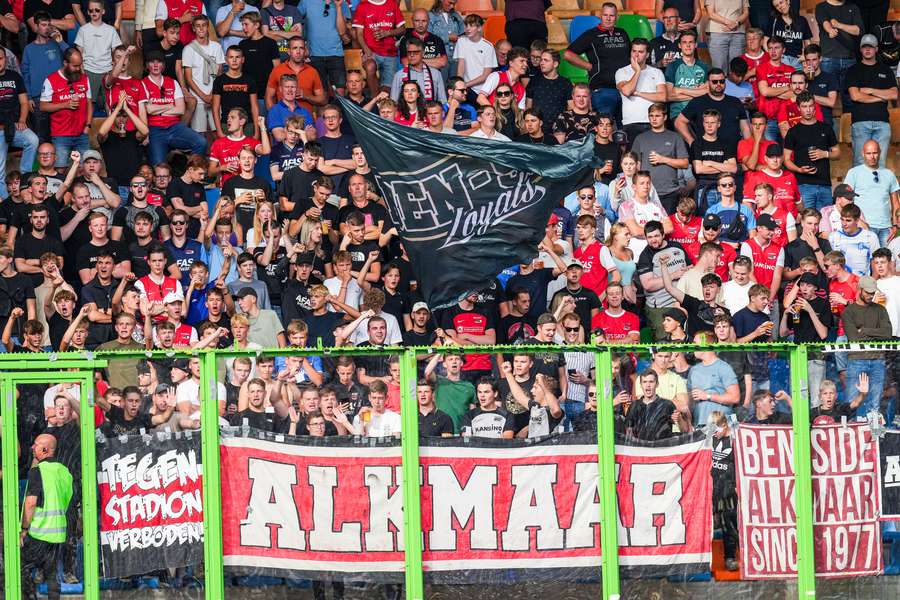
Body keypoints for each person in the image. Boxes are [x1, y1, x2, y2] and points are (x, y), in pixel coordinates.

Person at [20, 433, 73, 600]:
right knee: (51, 574)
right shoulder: (65, 472)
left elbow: (30, 503)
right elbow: (67, 500)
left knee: (20, 567)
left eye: (35, 445)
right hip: (57, 534)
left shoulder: (38, 471)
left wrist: (24, 528)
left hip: (39, 531)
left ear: (44, 449)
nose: (32, 448)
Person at [563, 2, 631, 116]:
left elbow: (630, 55)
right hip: (602, 89)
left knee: (623, 129)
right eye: (605, 15)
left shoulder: (622, 33)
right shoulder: (591, 34)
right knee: (604, 126)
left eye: (612, 15)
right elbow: (568, 54)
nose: (608, 19)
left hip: (624, 89)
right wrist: (589, 66)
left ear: (616, 17)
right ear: (600, 16)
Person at [141, 50, 207, 166]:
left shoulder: (172, 82)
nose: (156, 65)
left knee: (201, 142)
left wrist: (158, 110)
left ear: (163, 65)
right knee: (158, 165)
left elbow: (180, 110)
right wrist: (170, 105)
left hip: (174, 127)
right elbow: (148, 110)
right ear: (147, 65)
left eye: (159, 62)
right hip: (155, 130)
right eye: (152, 62)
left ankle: (191, 173)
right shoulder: (143, 83)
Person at [842, 276, 892, 416]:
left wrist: (863, 330)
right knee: (852, 402)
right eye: (868, 292)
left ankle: (873, 435)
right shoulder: (848, 312)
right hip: (857, 359)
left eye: (873, 292)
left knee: (875, 404)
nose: (871, 295)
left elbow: (888, 333)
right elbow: (854, 338)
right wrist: (876, 333)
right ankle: (851, 433)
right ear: (860, 290)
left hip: (877, 359)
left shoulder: (880, 309)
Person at [782, 91, 839, 211]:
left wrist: (825, 154)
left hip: (825, 184)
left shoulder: (826, 128)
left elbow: (837, 152)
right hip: (804, 185)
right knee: (807, 222)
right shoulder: (793, 132)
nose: (808, 110)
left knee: (826, 223)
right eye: (804, 106)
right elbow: (786, 159)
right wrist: (799, 169)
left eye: (810, 106)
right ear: (798, 108)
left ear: (815, 107)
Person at [846, 34, 896, 167]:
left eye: (871, 47)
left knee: (880, 164)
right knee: (860, 163)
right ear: (861, 50)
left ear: (876, 49)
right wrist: (881, 97)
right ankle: (861, 189)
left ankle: (878, 189)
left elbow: (894, 94)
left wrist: (870, 90)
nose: (868, 50)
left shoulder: (886, 70)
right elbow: (855, 96)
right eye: (865, 47)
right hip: (860, 123)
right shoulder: (853, 70)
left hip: (883, 124)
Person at [39, 47, 91, 166]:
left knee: (85, 169)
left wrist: (88, 125)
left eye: (80, 65)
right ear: (65, 63)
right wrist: (65, 105)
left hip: (82, 134)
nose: (78, 69)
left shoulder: (84, 78)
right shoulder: (51, 80)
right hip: (61, 134)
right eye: (75, 66)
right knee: (60, 168)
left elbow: (89, 103)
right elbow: (43, 106)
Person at [843, 139, 900, 246]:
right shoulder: (854, 173)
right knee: (864, 260)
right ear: (863, 154)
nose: (872, 156)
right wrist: (857, 221)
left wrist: (895, 225)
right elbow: (845, 200)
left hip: (886, 227)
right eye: (868, 153)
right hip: (863, 225)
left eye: (875, 153)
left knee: (884, 261)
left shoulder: (889, 174)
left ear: (880, 152)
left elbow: (895, 202)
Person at [675, 68, 749, 147]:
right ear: (708, 83)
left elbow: (745, 128)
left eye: (722, 81)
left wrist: (748, 147)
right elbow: (679, 122)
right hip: (706, 154)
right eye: (714, 82)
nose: (718, 84)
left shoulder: (735, 102)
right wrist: (692, 142)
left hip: (733, 153)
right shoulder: (698, 102)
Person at [22, 11, 66, 143]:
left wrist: (61, 42)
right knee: (41, 136)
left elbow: (72, 57)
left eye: (49, 25)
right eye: (43, 25)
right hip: (38, 98)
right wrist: (28, 97)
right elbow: (25, 74)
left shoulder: (56, 44)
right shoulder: (29, 49)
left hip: (58, 95)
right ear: (36, 27)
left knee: (60, 135)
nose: (47, 28)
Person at [0, 51, 37, 199]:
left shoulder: (14, 77)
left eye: (0, 58)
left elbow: (23, 102)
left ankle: (24, 178)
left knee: (33, 140)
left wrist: (22, 120)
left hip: (15, 126)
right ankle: (8, 203)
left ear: (5, 59)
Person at [815, 0, 863, 113]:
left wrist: (838, 25)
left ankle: (849, 129)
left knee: (850, 100)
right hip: (829, 59)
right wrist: (831, 30)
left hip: (850, 60)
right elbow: (825, 23)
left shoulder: (853, 7)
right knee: (825, 100)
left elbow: (858, 30)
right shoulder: (822, 6)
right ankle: (825, 129)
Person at [615, 38, 667, 142]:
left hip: (652, 122)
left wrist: (638, 93)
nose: (636, 55)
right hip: (630, 123)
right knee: (633, 157)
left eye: (641, 52)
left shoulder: (656, 72)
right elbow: (627, 91)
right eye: (634, 51)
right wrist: (638, 71)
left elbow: (662, 97)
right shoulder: (622, 72)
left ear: (647, 55)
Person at [353, 0, 405, 96]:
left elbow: (402, 29)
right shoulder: (362, 5)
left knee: (386, 93)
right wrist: (366, 50)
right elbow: (359, 34)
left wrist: (388, 33)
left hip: (390, 53)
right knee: (370, 66)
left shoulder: (392, 4)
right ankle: (375, 101)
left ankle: (381, 101)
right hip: (372, 51)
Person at [690, 109, 738, 211]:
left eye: (712, 122)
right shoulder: (697, 144)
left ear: (718, 124)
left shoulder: (726, 143)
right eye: (707, 122)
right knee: (705, 221)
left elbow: (733, 168)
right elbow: (698, 169)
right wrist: (724, 166)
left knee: (726, 219)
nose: (709, 125)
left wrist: (711, 163)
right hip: (704, 189)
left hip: (724, 188)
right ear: (703, 124)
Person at [265, 37, 325, 116]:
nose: (298, 52)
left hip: (306, 122)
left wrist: (305, 96)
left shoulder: (312, 71)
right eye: (295, 48)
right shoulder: (277, 70)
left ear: (305, 51)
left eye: (301, 48)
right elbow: (268, 97)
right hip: (284, 121)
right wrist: (275, 117)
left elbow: (322, 100)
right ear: (289, 51)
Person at [626, 369, 684, 440]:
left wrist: (679, 419)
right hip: (641, 449)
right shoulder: (634, 406)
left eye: (651, 382)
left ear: (657, 384)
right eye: (644, 382)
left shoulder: (667, 405)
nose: (648, 385)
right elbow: (628, 433)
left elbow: (684, 430)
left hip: (662, 448)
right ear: (641, 385)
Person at [664, 30, 709, 121]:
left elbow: (708, 92)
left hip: (699, 113)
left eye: (691, 42)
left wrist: (680, 90)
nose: (688, 45)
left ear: (695, 45)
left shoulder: (703, 67)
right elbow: (668, 96)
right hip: (678, 113)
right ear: (679, 45)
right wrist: (696, 93)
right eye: (684, 42)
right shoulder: (673, 66)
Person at [525, 49, 572, 133]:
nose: (541, 63)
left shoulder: (565, 83)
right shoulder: (534, 81)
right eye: (541, 60)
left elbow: (571, 109)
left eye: (545, 60)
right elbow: (528, 108)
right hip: (537, 131)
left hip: (559, 131)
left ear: (555, 64)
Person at [453, 14, 497, 102]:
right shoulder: (461, 41)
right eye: (466, 25)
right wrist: (459, 85)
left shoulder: (488, 46)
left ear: (479, 28)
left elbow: (485, 75)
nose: (467, 28)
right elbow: (460, 68)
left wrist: (465, 84)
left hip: (483, 89)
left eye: (471, 25)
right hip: (467, 89)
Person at [827, 204, 879, 276]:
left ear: (857, 220)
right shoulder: (833, 236)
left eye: (848, 220)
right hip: (840, 283)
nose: (844, 224)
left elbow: (876, 262)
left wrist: (872, 283)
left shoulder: (870, 237)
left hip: (862, 283)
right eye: (842, 219)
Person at [705, 0, 748, 72]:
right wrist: (728, 23)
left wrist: (736, 23)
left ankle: (734, 83)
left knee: (737, 68)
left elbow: (746, 12)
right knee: (719, 67)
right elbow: (711, 13)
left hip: (738, 33)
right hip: (718, 33)